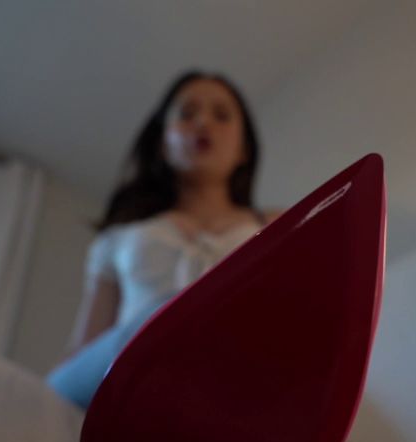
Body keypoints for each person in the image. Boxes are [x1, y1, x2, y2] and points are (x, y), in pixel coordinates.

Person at [47, 70, 278, 411]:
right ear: (163, 145)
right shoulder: (117, 238)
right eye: (186, 114)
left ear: (243, 148)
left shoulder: (278, 225)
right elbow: (88, 347)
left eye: (221, 115)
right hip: (129, 379)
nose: (203, 123)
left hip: (237, 380)